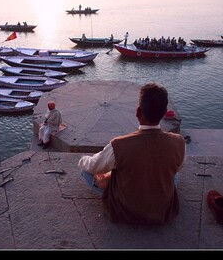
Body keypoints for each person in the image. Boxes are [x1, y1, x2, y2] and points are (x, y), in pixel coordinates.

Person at [78, 82, 186, 225]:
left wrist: (82, 160)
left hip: (125, 209)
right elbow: (178, 168)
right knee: (174, 173)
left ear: (138, 112)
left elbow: (92, 166)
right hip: (163, 209)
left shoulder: (118, 145)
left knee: (86, 171)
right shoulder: (178, 141)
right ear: (164, 112)